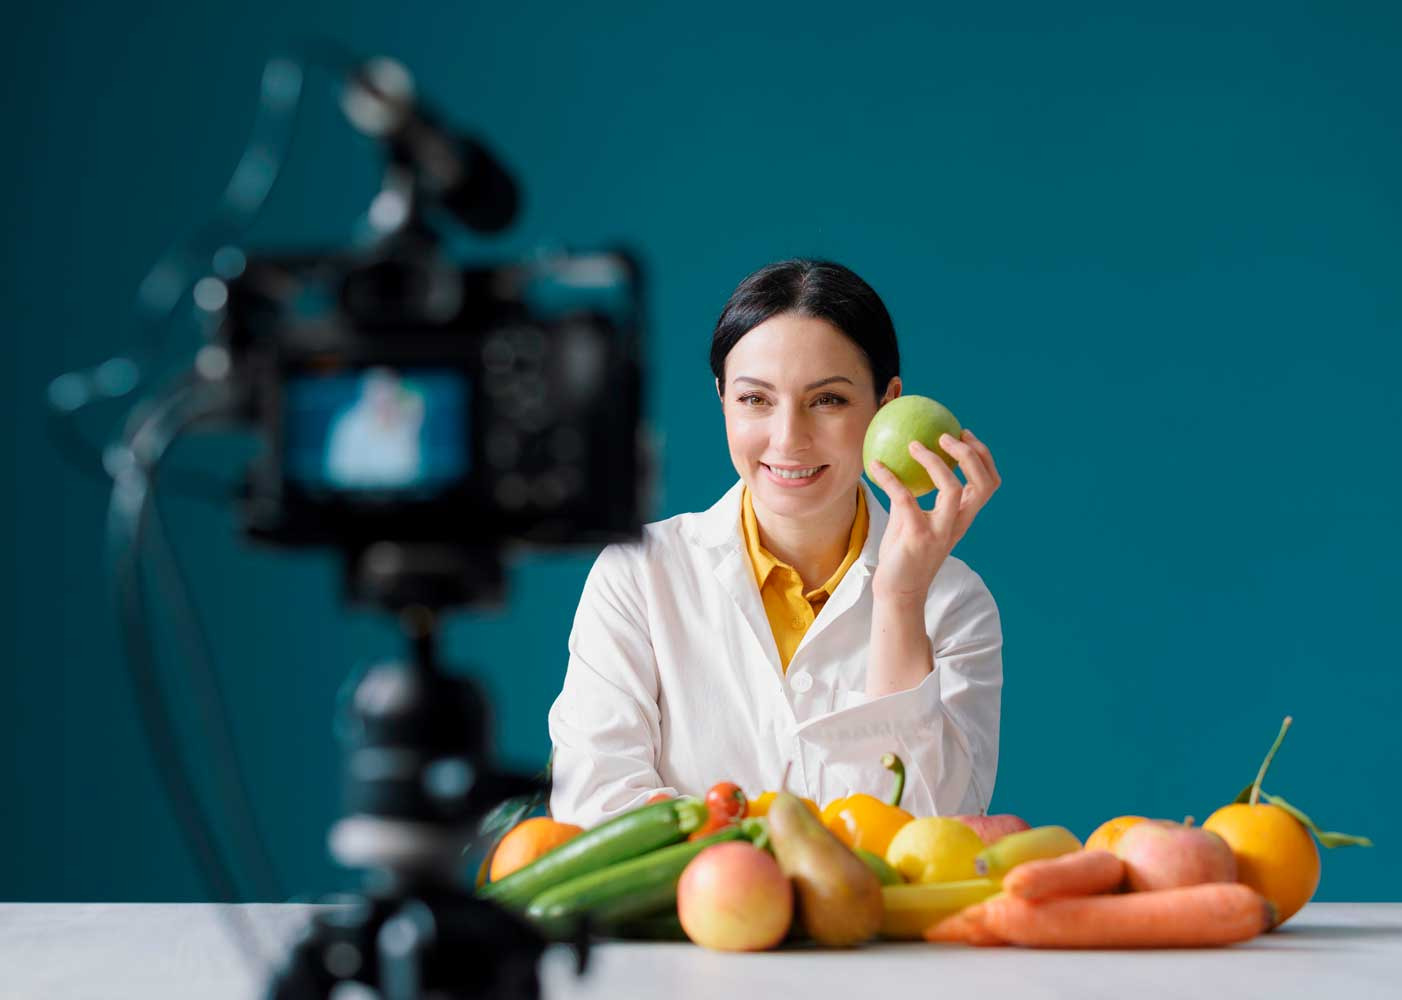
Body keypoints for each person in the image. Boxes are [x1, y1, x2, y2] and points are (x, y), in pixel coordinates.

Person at [547, 259, 1004, 828]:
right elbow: (594, 809)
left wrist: (901, 601)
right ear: (721, 396)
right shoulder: (637, 575)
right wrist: (778, 860)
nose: (788, 439)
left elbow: (936, 834)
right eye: (755, 400)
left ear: (887, 403)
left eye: (828, 399)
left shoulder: (953, 602)